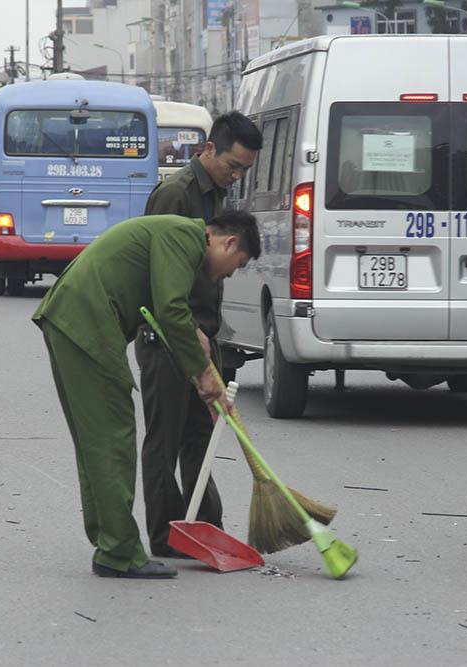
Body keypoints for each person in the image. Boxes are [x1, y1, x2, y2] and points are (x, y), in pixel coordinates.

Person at [33, 211, 260, 579]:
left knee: (98, 439)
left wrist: (194, 338)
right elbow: (170, 308)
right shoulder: (187, 236)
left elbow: (164, 305)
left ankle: (110, 540)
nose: (230, 274)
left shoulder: (174, 234)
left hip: (74, 317)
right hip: (86, 321)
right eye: (238, 264)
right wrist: (204, 374)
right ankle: (118, 552)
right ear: (228, 242)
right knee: (113, 436)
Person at [136, 111, 262, 558]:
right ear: (208, 150)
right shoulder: (175, 195)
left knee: (200, 437)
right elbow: (158, 280)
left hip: (206, 333)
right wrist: (188, 331)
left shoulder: (220, 197)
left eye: (245, 170)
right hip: (168, 335)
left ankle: (205, 529)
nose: (236, 175)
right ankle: (163, 536)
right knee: (164, 440)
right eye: (232, 165)